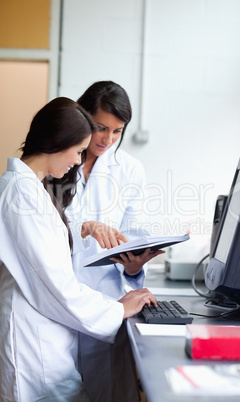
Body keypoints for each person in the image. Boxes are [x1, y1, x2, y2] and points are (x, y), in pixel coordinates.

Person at [0, 97, 157, 401]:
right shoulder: (21, 193)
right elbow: (54, 282)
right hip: (34, 344)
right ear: (57, 142)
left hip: (50, 335)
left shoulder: (33, 189)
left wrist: (85, 227)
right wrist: (117, 308)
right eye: (76, 151)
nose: (76, 161)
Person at [54, 81, 164, 402]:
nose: (107, 139)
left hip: (107, 302)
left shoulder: (130, 170)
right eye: (101, 127)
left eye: (117, 131)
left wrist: (134, 266)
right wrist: (84, 226)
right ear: (83, 116)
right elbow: (42, 226)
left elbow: (131, 237)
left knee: (108, 392)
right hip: (60, 301)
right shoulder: (58, 163)